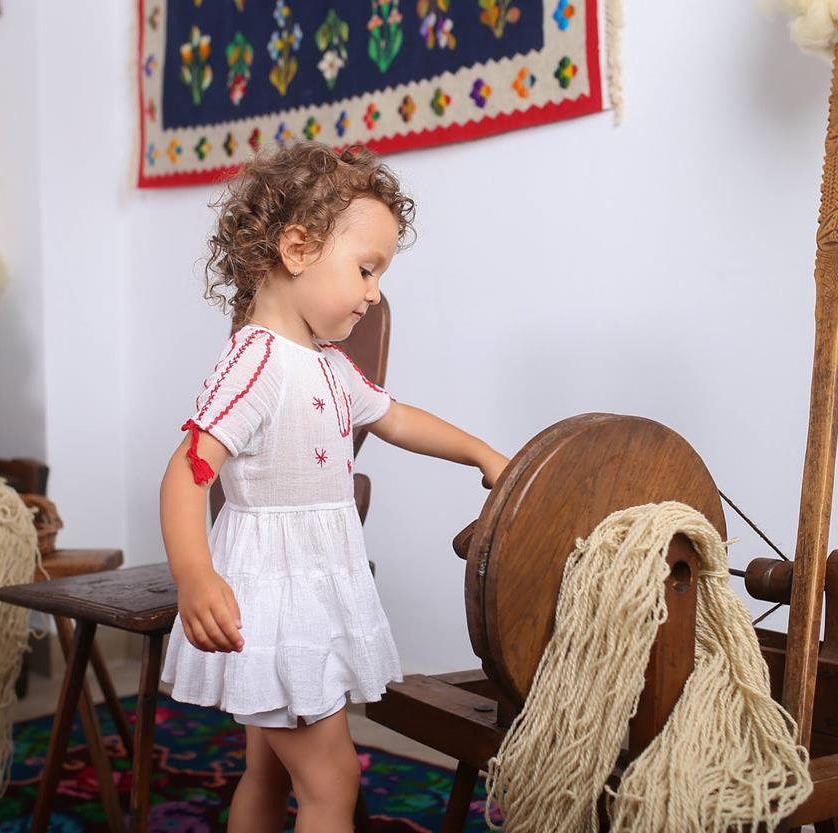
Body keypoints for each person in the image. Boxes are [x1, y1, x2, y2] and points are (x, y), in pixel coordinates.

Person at [160, 140, 510, 833]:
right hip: (275, 598)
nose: (374, 293)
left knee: (268, 770)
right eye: (366, 269)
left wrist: (481, 452)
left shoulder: (324, 362)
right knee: (333, 779)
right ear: (297, 249)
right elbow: (187, 470)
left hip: (307, 588)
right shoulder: (258, 362)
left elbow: (396, 417)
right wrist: (195, 575)